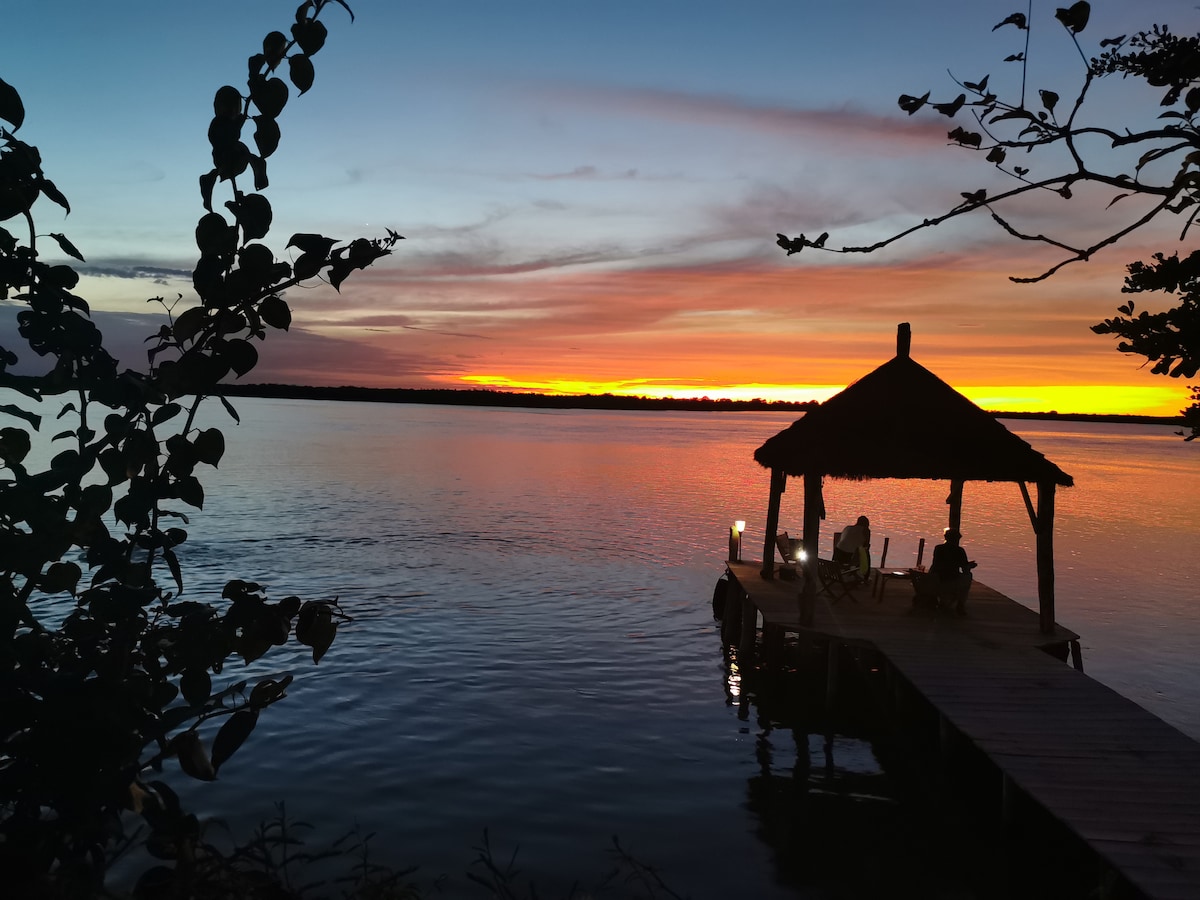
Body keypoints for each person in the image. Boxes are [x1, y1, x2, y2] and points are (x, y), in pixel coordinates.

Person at [928, 528, 977, 615]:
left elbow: (937, 563)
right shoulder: (959, 550)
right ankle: (960, 604)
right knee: (968, 575)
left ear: (945, 537)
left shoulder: (938, 548)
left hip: (937, 578)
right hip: (951, 579)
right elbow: (964, 567)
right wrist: (970, 565)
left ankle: (947, 602)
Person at [833, 515, 871, 582]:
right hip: (850, 558)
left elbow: (840, 541)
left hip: (838, 556)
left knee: (859, 551)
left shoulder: (847, 528)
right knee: (866, 553)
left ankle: (850, 572)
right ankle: (866, 576)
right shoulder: (866, 530)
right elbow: (866, 545)